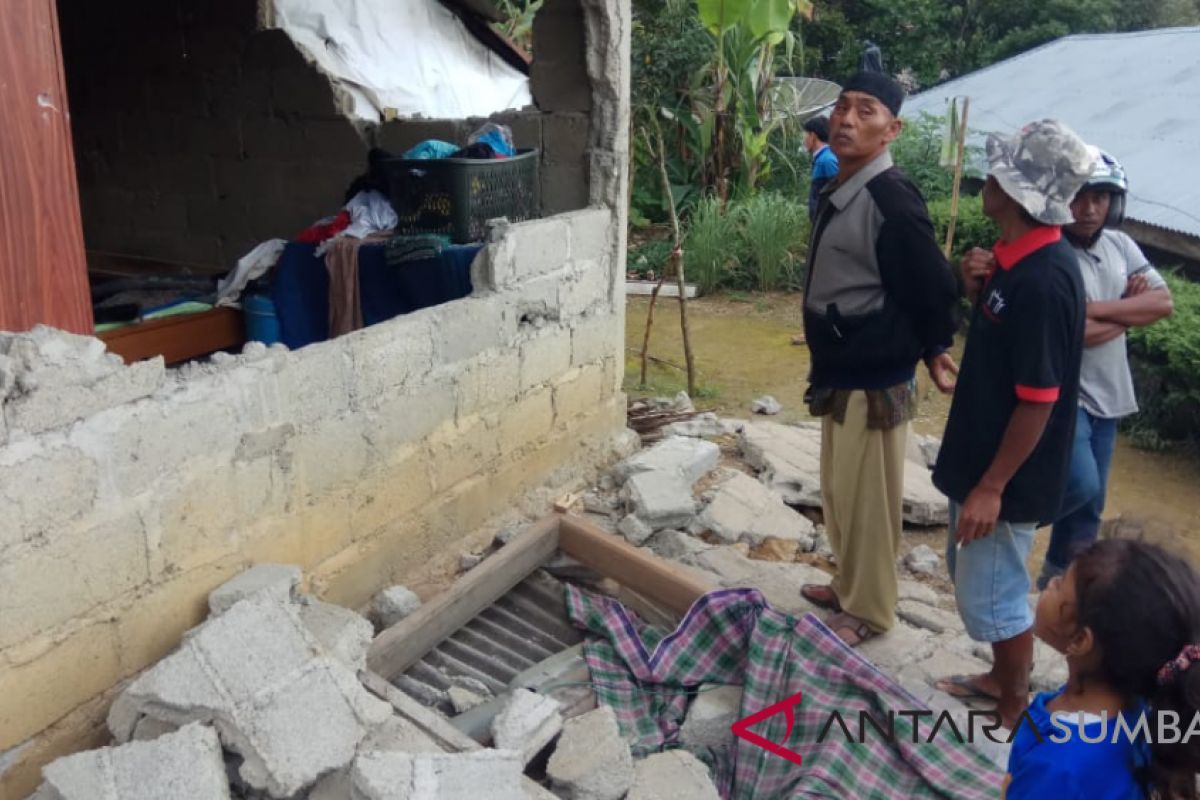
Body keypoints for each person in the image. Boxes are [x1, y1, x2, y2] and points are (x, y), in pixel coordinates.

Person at [931, 119, 1095, 729]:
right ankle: (1001, 677)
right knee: (971, 573)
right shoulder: (1013, 262)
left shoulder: (1045, 281)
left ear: (1019, 192)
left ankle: (1013, 705)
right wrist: (979, 286)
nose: (987, 178)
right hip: (983, 455)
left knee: (995, 595)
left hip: (1008, 475)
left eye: (998, 172)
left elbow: (1039, 399)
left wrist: (992, 486)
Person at [961, 150, 1174, 591]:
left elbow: (1163, 302)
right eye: (1080, 196)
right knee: (1078, 484)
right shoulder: (1050, 255)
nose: (1090, 208)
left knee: (1090, 504)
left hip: (1111, 395)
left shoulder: (1121, 246)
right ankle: (1013, 532)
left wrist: (1094, 312)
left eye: (1101, 198)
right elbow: (1071, 336)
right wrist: (1126, 314)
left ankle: (1063, 577)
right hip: (1066, 395)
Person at [798, 71, 960, 647]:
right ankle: (847, 585)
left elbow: (932, 286)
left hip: (875, 375)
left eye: (865, 111)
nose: (846, 119)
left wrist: (935, 345)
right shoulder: (845, 185)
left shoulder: (890, 197)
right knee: (840, 491)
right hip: (842, 370)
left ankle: (869, 611)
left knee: (869, 499)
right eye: (842, 107)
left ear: (891, 130)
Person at [1003, 538, 1200, 799]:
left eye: (1060, 584)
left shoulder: (1058, 770)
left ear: (1080, 641)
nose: (1050, 583)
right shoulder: (1144, 712)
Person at [803, 116, 839, 224]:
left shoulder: (827, 160)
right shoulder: (821, 159)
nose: (804, 140)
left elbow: (839, 191)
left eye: (805, 136)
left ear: (812, 136)